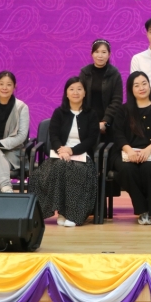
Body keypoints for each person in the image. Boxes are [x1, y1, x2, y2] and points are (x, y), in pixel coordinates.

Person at [29, 77, 99, 226]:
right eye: (71, 89)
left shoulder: (91, 114)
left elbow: (91, 139)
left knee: (75, 171)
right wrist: (62, 151)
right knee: (46, 172)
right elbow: (53, 135)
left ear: (85, 93)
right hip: (60, 154)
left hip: (81, 156)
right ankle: (60, 211)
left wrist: (71, 150)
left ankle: (73, 216)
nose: (75, 92)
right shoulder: (59, 112)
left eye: (79, 89)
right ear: (66, 93)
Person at [112, 71, 151, 225]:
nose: (141, 88)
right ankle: (143, 210)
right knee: (127, 170)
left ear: (149, 85)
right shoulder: (123, 110)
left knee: (148, 168)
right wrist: (129, 151)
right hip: (127, 152)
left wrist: (148, 150)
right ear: (131, 89)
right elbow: (118, 134)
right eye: (136, 85)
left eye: (144, 83)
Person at [79, 39, 123, 141]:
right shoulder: (85, 72)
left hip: (110, 123)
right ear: (92, 54)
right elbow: (79, 97)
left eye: (104, 52)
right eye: (97, 52)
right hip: (87, 121)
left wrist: (105, 122)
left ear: (109, 54)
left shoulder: (114, 74)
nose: (100, 55)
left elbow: (117, 100)